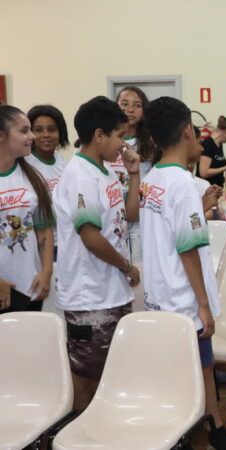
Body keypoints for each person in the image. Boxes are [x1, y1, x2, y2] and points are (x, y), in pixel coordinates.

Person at [141, 96, 226, 450]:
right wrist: (203, 305)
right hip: (183, 298)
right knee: (198, 371)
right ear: (189, 131)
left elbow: (170, 232)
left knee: (191, 371)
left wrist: (201, 213)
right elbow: (187, 247)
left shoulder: (152, 178)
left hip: (159, 295)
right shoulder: (183, 184)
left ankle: (215, 432)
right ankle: (210, 437)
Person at [53, 96, 141, 410]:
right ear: (99, 135)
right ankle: (76, 434)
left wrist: (133, 175)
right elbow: (90, 237)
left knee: (108, 371)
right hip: (89, 295)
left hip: (111, 290)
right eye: (119, 135)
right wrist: (127, 266)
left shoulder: (103, 172)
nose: (123, 144)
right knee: (86, 373)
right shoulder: (80, 175)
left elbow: (130, 216)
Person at [0, 105, 55, 313]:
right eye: (24, 131)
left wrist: (46, 272)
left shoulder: (32, 177)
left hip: (29, 288)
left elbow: (44, 228)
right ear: (1, 136)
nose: (32, 136)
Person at [112, 86, 156, 263]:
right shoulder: (109, 140)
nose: (130, 109)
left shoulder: (151, 142)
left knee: (140, 267)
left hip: (141, 216)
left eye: (137, 105)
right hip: (113, 214)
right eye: (124, 104)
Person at [25, 104, 69, 192]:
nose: (46, 135)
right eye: (38, 130)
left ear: (60, 132)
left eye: (51, 129)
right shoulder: (24, 163)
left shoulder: (63, 162)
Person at [199, 116, 226, 187]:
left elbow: (216, 172)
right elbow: (203, 172)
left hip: (218, 189)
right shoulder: (208, 144)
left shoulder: (219, 144)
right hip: (207, 190)